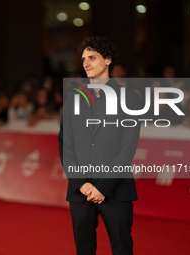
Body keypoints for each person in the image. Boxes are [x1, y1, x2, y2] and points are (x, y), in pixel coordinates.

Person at [58, 36, 141, 255]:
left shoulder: (129, 99)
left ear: (108, 60)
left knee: (122, 248)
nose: (86, 63)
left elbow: (127, 148)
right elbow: (65, 144)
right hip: (80, 191)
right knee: (84, 249)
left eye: (92, 57)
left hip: (116, 189)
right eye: (84, 58)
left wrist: (103, 187)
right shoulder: (73, 99)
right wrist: (80, 183)